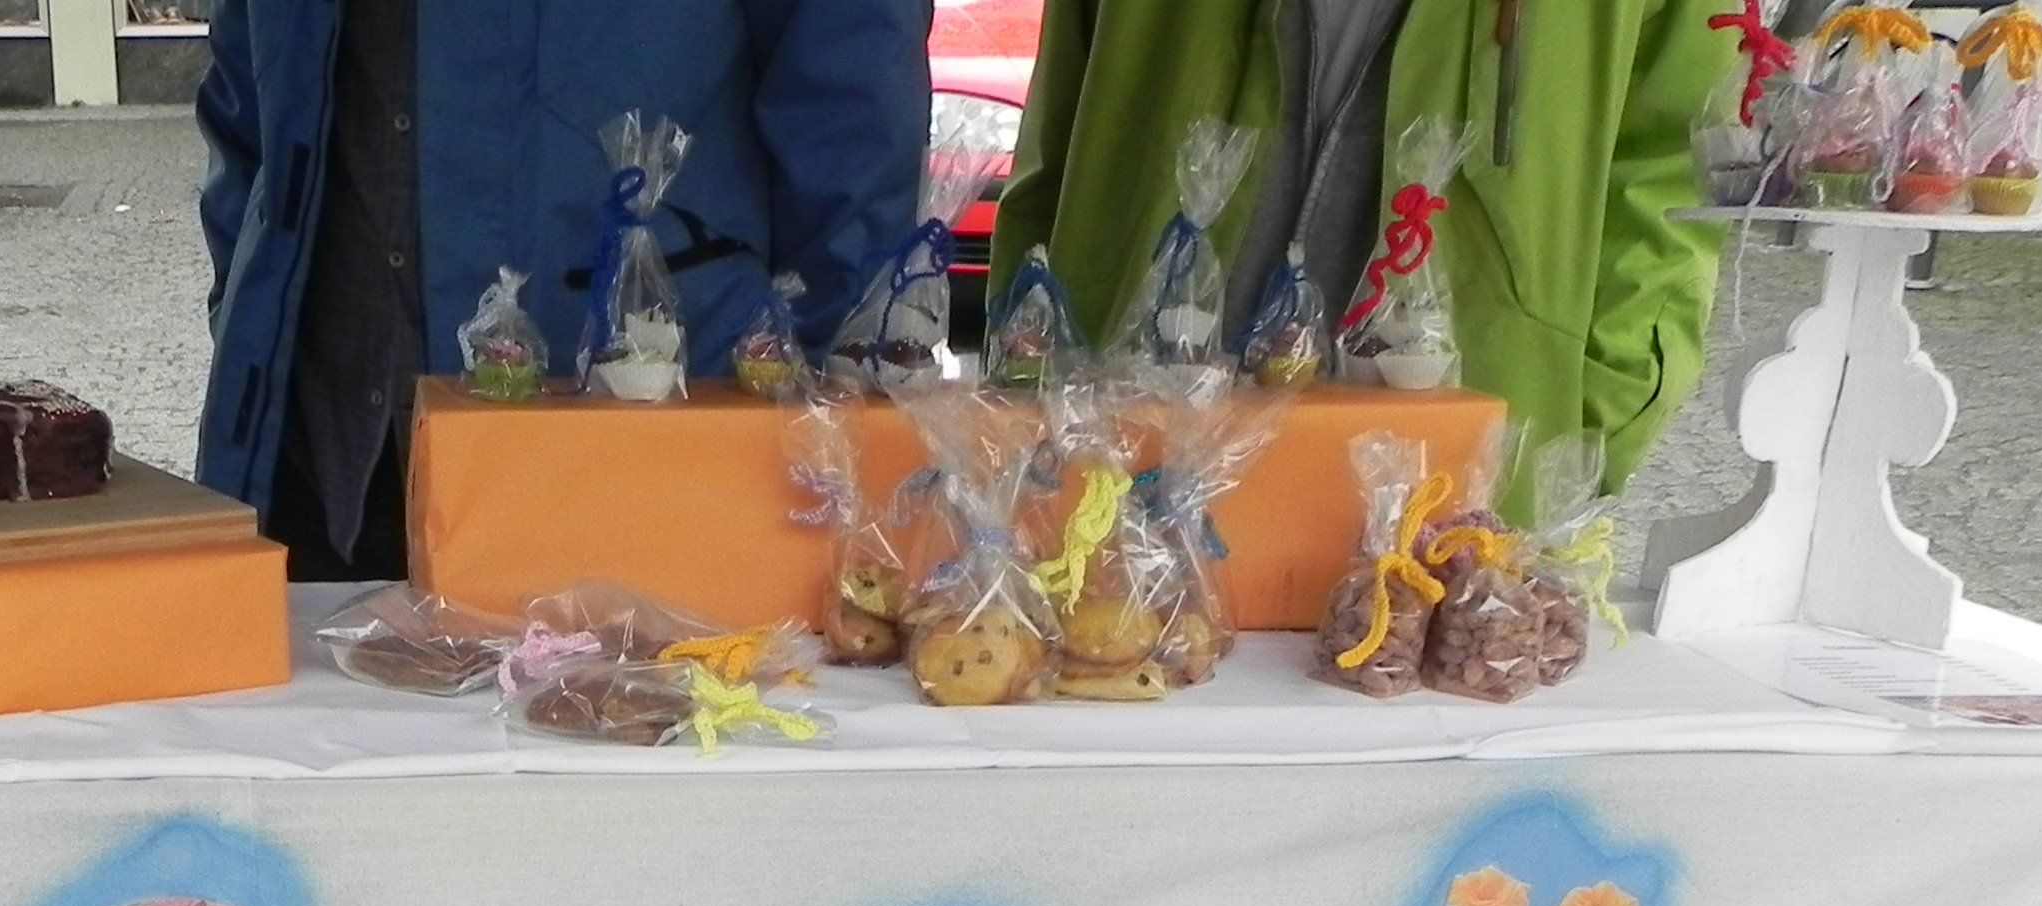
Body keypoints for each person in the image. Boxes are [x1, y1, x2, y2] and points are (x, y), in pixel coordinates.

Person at [195, 0, 938, 581]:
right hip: (315, 459)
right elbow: (247, 107)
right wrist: (246, 321)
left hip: (637, 435)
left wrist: (814, 403)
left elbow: (853, 114)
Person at [990, 0, 1728, 483]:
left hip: (1467, 447)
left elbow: (1674, 165)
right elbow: (1058, 119)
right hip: (1116, 426)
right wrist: (1020, 358)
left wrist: (1593, 426)